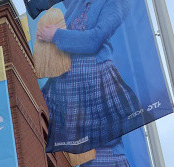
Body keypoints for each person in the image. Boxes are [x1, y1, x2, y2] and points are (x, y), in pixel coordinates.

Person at [31, 0, 144, 153]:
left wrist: (56, 35)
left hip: (96, 76)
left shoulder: (118, 3)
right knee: (36, 122)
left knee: (105, 143)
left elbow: (93, 40)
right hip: (65, 77)